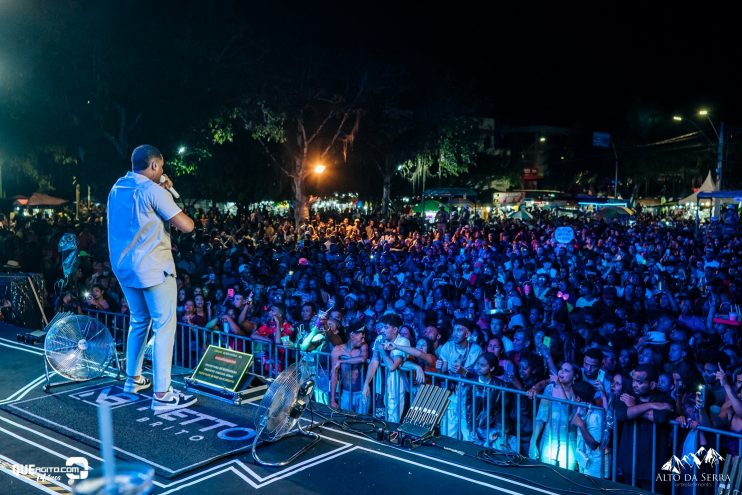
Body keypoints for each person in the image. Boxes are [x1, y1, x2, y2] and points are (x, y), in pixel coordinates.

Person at [108, 144, 197, 413]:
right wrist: (166, 189)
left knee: (139, 320)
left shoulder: (117, 187)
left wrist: (163, 188)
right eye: (161, 167)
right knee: (164, 327)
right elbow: (187, 225)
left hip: (124, 267)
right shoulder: (152, 190)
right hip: (154, 269)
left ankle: (132, 380)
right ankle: (162, 394)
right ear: (155, 166)